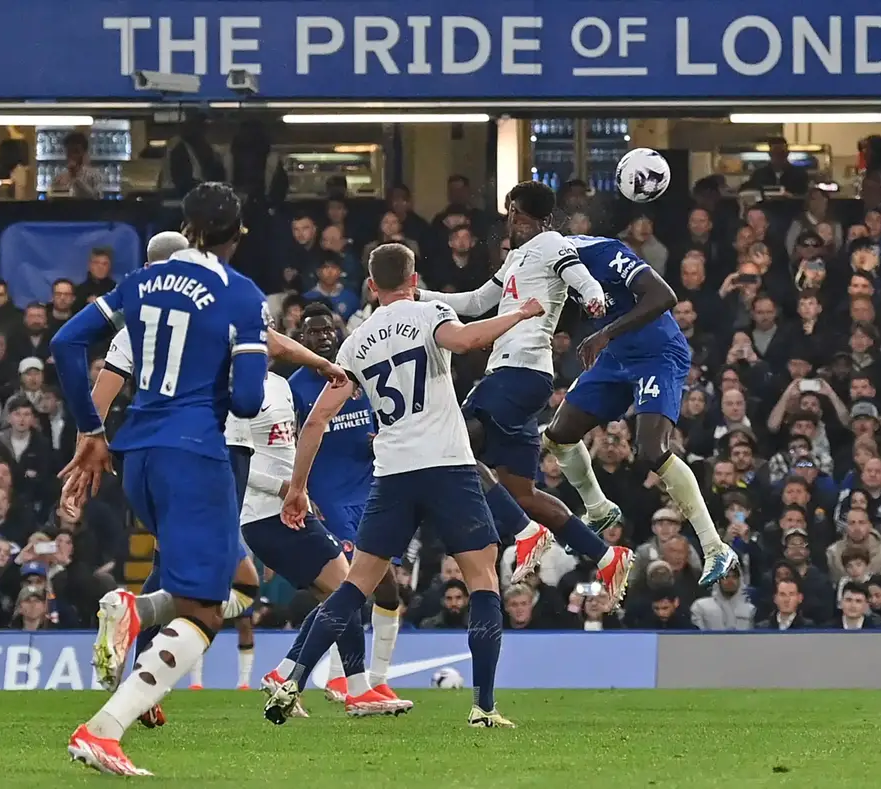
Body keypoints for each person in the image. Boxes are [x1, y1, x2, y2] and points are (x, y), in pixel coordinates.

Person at [263, 242, 543, 728]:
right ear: (414, 278)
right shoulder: (429, 312)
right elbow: (466, 341)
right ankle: (484, 706)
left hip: (392, 473)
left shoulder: (355, 340)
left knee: (355, 585)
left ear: (371, 286)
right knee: (483, 579)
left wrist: (297, 488)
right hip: (448, 466)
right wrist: (518, 314)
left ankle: (292, 679)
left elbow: (316, 421)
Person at [51, 182, 273, 776]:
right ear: (237, 234)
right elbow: (250, 400)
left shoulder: (141, 282)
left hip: (138, 456)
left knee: (221, 585)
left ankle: (139, 613)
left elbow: (66, 342)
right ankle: (105, 727)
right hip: (196, 452)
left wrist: (91, 430)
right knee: (208, 609)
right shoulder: (242, 294)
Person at [86, 231, 348, 729]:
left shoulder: (131, 324)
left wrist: (91, 443)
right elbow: (261, 352)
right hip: (210, 449)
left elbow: (97, 399)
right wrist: (319, 362)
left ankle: (136, 670)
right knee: (235, 586)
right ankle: (132, 626)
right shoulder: (214, 302)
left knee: (177, 567)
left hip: (147, 455)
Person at [415, 181, 636, 601]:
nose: (509, 221)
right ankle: (607, 557)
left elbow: (581, 277)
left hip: (517, 374)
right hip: (520, 379)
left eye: (512, 213)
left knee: (452, 445)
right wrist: (420, 296)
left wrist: (593, 298)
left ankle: (525, 533)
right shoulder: (517, 257)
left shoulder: (551, 242)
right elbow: (479, 301)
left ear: (522, 215)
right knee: (523, 493)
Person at [540, 233, 738, 586]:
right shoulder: (547, 266)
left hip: (657, 354)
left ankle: (715, 546)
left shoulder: (603, 253)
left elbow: (664, 295)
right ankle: (598, 509)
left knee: (651, 450)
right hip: (616, 356)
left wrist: (605, 334)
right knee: (559, 434)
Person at [242, 355, 410, 716]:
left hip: (291, 508)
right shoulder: (234, 395)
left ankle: (285, 673)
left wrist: (300, 489)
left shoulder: (280, 385)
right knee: (345, 590)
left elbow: (289, 449)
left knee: (336, 596)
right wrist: (285, 487)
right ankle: (355, 689)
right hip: (266, 514)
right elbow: (236, 465)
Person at [275, 301, 410, 703]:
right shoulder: (294, 387)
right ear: (301, 338)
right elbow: (290, 443)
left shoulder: (360, 374)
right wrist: (302, 491)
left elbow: (385, 418)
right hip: (328, 497)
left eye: (329, 329)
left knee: (387, 587)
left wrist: (379, 439)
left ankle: (378, 676)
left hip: (370, 490)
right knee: (349, 584)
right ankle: (335, 676)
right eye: (314, 332)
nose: (324, 336)